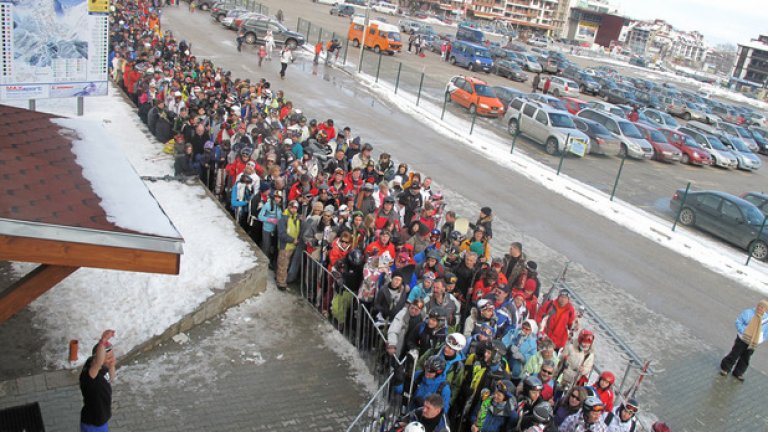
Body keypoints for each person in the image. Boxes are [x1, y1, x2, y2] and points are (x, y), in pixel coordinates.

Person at [720, 299, 768, 381]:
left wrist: (761, 339)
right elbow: (738, 322)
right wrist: (744, 332)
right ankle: (725, 368)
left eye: (763, 307)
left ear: (766, 309)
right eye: (759, 306)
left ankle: (738, 373)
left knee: (746, 357)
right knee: (734, 354)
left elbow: (766, 332)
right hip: (742, 339)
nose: (760, 308)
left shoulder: (766, 319)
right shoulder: (748, 312)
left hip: (753, 342)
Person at [80, 329, 116, 432]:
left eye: (112, 356)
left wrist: (112, 365)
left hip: (101, 419)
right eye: (108, 358)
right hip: (92, 423)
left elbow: (111, 378)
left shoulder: (103, 368)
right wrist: (103, 340)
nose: (111, 359)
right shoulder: (90, 374)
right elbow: (99, 361)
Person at [276, 200, 301, 290]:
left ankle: (282, 279)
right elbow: (281, 234)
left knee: (286, 265)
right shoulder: (283, 219)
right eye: (292, 207)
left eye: (296, 208)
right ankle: (281, 283)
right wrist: (292, 240)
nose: (294, 210)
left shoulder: (296, 218)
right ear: (289, 207)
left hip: (293, 246)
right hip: (285, 246)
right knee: (282, 265)